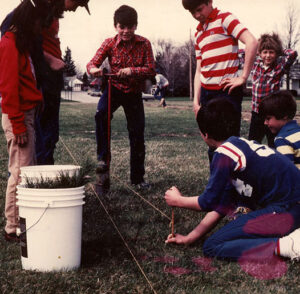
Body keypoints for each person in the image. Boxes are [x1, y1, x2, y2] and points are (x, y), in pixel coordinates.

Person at [164, 98, 300, 262]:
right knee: (224, 236)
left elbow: (207, 202)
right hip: (290, 208)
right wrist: (190, 237)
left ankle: (287, 245)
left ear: (205, 134)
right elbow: (222, 205)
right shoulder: (238, 145)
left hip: (288, 209)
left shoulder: (223, 155)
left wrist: (178, 200)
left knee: (212, 246)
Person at [1, 0, 91, 166]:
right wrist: (47, 60)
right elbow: (10, 34)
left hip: (50, 82)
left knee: (50, 136)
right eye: (77, 4)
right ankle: (34, 181)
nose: (75, 9)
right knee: (36, 143)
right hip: (39, 81)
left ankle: (46, 179)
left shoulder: (53, 13)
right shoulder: (35, 8)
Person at [0, 0, 53, 242]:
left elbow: (25, 79)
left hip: (28, 112)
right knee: (19, 173)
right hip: (18, 116)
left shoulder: (21, 45)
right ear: (27, 21)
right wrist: (18, 124)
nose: (39, 28)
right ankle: (12, 227)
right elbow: (8, 88)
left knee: (26, 170)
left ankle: (21, 221)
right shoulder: (9, 45)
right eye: (37, 23)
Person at [87, 5, 156, 188]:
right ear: (115, 26)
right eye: (122, 26)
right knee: (100, 114)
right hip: (114, 89)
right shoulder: (109, 43)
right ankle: (103, 159)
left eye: (130, 26)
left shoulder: (145, 43)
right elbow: (92, 63)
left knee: (137, 132)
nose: (126, 31)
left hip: (133, 92)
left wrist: (131, 71)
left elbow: (151, 70)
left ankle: (138, 179)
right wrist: (95, 70)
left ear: (136, 26)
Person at [182, 0, 257, 162]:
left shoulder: (225, 19)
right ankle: (217, 181)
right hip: (207, 94)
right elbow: (199, 69)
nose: (196, 15)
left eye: (199, 9)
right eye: (192, 12)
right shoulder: (198, 33)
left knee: (230, 144)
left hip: (226, 92)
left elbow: (252, 42)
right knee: (212, 142)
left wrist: (243, 77)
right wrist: (196, 101)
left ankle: (234, 184)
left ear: (209, 2)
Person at [239, 33, 298, 147]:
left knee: (274, 143)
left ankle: (273, 162)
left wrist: (279, 49)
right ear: (260, 53)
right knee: (253, 143)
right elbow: (241, 53)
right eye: (265, 52)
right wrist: (256, 49)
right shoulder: (255, 64)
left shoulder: (279, 67)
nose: (268, 55)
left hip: (272, 114)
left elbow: (293, 54)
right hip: (256, 113)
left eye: (271, 52)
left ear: (276, 53)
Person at [260, 91, 300, 169]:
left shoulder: (282, 139)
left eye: (268, 118)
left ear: (284, 116)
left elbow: (285, 170)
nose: (265, 122)